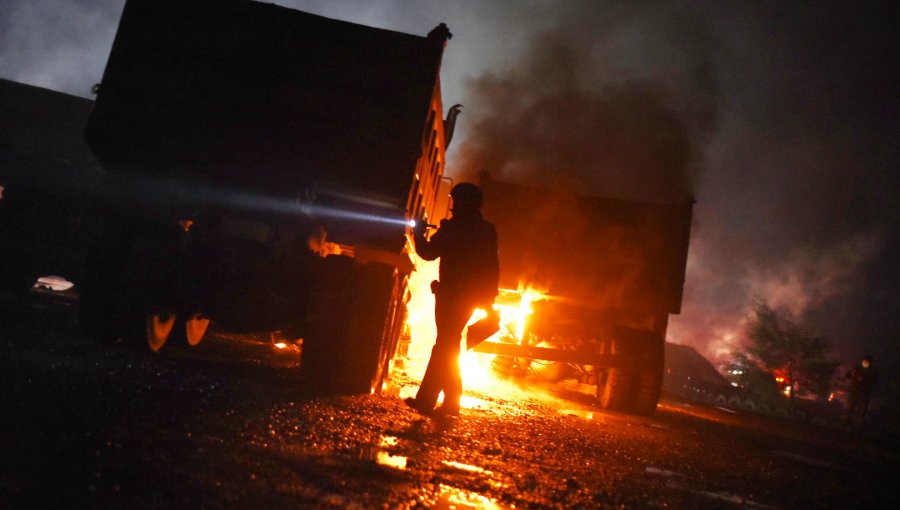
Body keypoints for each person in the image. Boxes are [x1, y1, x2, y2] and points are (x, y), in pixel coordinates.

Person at [405, 182, 499, 418]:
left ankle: (428, 401)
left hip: (450, 296)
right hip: (467, 298)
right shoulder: (487, 230)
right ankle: (450, 404)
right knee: (448, 346)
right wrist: (488, 299)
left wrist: (417, 233)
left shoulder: (453, 228)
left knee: (444, 346)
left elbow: (427, 253)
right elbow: (492, 267)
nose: (454, 205)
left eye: (457, 201)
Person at [844, 354, 878, 431]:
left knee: (861, 414)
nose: (864, 362)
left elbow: (873, 381)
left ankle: (858, 430)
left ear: (870, 363)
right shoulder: (857, 368)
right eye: (864, 361)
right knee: (848, 410)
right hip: (853, 393)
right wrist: (851, 374)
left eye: (866, 361)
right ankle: (845, 427)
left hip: (863, 396)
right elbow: (847, 376)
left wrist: (863, 379)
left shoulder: (872, 371)